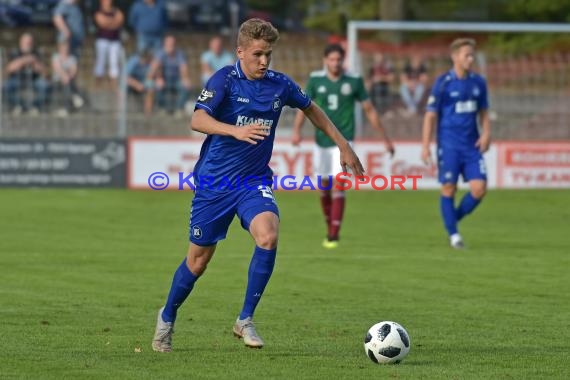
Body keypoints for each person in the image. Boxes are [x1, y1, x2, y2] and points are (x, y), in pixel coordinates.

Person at [152, 18, 364, 352]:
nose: (264, 61)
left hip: (253, 181)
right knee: (198, 262)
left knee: (268, 234)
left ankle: (245, 319)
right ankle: (166, 317)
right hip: (214, 185)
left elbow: (312, 109)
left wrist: (343, 144)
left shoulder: (280, 84)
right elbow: (197, 119)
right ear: (240, 51)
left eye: (268, 54)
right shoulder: (224, 80)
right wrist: (233, 129)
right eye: (257, 54)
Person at [291, 44, 394, 249]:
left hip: (344, 142)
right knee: (324, 189)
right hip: (321, 142)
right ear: (325, 60)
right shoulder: (316, 79)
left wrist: (385, 139)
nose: (335, 63)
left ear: (343, 60)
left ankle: (333, 234)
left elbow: (369, 110)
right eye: (332, 59)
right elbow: (304, 107)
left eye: (338, 60)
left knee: (339, 185)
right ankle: (330, 223)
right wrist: (296, 130)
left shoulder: (354, 81)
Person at [421, 38, 491, 249]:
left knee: (479, 189)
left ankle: (451, 221)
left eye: (472, 55)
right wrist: (425, 145)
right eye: (466, 55)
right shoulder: (443, 83)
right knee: (449, 188)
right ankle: (454, 236)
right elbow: (430, 116)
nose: (471, 59)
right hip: (449, 145)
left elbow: (484, 112)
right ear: (455, 57)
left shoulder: (478, 82)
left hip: (472, 146)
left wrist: (487, 133)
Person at [3, 33, 50, 115]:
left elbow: (45, 72)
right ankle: (19, 105)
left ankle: (35, 106)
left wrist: (34, 62)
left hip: (34, 79)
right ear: (20, 42)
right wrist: (23, 60)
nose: (28, 44)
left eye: (30, 42)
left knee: (44, 85)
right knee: (5, 87)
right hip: (17, 79)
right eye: (26, 42)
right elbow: (9, 69)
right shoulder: (15, 53)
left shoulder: (37, 53)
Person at [146, 35, 191, 117]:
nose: (171, 45)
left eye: (172, 43)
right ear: (165, 44)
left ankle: (179, 109)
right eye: (169, 43)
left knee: (186, 86)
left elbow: (183, 68)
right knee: (157, 85)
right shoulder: (160, 53)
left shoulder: (179, 54)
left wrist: (185, 79)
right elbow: (155, 67)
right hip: (163, 78)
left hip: (176, 78)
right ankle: (162, 108)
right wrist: (159, 78)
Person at [93, 0, 124, 88]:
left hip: (115, 40)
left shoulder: (116, 11)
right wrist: (113, 22)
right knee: (100, 61)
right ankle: (98, 84)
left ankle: (114, 84)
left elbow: (119, 21)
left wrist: (109, 23)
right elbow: (102, 23)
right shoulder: (99, 12)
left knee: (114, 62)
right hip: (102, 40)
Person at [51, 40, 83, 117]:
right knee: (67, 83)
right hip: (57, 81)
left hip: (69, 81)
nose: (65, 49)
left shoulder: (72, 58)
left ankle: (66, 108)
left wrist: (68, 77)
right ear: (59, 48)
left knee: (67, 84)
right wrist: (65, 76)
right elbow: (57, 69)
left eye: (66, 47)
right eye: (63, 47)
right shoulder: (56, 57)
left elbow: (74, 71)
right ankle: (74, 97)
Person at [125, 49, 154, 115]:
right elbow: (125, 77)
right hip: (132, 83)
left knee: (151, 87)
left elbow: (151, 76)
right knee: (122, 88)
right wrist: (136, 84)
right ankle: (121, 111)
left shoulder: (150, 62)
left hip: (143, 83)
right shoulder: (133, 61)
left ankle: (148, 112)